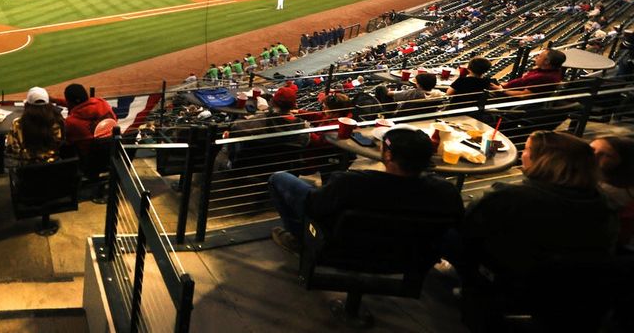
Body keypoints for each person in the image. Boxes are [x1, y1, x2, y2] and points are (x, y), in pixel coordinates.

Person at [268, 127, 463, 255]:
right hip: (405, 257)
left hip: (340, 249)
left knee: (280, 178)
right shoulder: (446, 193)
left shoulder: (350, 183)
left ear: (388, 155)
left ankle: (299, 240)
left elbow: (313, 208)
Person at [456, 132, 616, 280]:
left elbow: (468, 227)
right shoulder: (601, 202)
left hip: (505, 274)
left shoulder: (509, 196)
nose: (521, 154)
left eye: (526, 149)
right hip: (569, 284)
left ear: (542, 160)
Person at [592, 135, 634, 248]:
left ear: (624, 162)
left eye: (606, 155)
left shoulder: (608, 192)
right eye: (591, 150)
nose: (593, 156)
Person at [8, 87, 64, 164]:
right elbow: (61, 143)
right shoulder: (58, 121)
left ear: (27, 105)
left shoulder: (18, 124)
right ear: (49, 105)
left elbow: (12, 149)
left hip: (27, 170)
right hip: (54, 168)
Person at [61, 83, 116, 160]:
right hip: (115, 155)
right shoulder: (102, 103)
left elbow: (67, 141)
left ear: (70, 102)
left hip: (89, 163)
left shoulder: (70, 122)